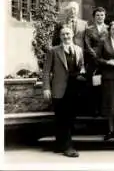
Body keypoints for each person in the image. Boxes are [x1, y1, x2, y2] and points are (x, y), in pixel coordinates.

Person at [43, 26, 85, 158]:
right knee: (62, 117)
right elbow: (46, 72)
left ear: (72, 35)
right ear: (60, 37)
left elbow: (81, 65)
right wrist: (46, 88)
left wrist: (82, 71)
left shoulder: (78, 50)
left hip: (74, 89)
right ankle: (68, 147)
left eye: (68, 34)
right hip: (59, 89)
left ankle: (60, 144)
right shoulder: (53, 51)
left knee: (69, 117)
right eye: (63, 35)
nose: (66, 36)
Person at [84, 7, 108, 116]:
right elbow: (87, 45)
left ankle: (104, 109)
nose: (100, 17)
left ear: (105, 16)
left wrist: (104, 57)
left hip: (106, 61)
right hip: (93, 62)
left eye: (102, 15)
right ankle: (94, 109)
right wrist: (96, 57)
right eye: (97, 15)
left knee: (105, 85)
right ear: (94, 17)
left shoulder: (108, 28)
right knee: (93, 85)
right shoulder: (89, 29)